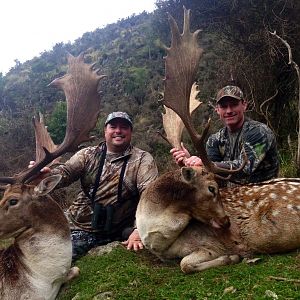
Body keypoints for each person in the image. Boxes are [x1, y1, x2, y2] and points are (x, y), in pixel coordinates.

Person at [31, 111, 158, 260]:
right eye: (113, 126)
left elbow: (150, 194)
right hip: (73, 221)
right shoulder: (87, 154)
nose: (118, 131)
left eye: (124, 127)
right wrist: (45, 175)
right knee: (34, 244)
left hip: (112, 229)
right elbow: (65, 173)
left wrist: (138, 230)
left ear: (130, 132)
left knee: (53, 256)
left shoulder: (142, 159)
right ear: (105, 131)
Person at [171, 85, 279, 185]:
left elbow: (244, 168)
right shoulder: (215, 140)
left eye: (234, 104)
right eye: (223, 106)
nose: (229, 110)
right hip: (233, 198)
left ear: (244, 105)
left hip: (264, 196)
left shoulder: (259, 132)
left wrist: (203, 164)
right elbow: (210, 176)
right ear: (217, 110)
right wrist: (190, 163)